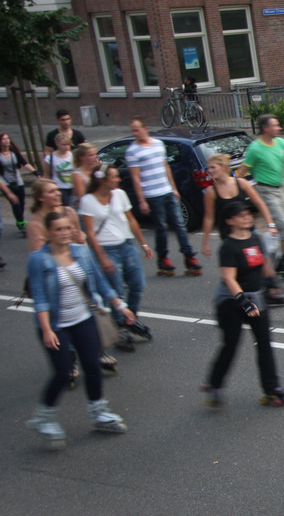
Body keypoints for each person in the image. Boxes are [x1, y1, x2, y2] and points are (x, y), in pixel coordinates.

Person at [26, 211, 135, 448]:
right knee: (63, 371)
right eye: (58, 229)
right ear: (48, 233)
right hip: (56, 325)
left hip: (83, 319)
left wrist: (120, 306)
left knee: (93, 367)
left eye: (68, 228)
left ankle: (99, 412)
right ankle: (43, 417)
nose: (65, 233)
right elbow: (40, 298)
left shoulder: (81, 252)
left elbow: (100, 283)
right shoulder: (38, 259)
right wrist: (46, 330)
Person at [199, 200, 284, 407]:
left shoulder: (255, 238)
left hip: (256, 298)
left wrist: (273, 284)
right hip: (231, 301)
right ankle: (214, 384)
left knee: (264, 343)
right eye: (241, 215)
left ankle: (272, 388)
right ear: (230, 221)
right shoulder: (228, 246)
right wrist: (244, 302)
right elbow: (229, 278)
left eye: (248, 214)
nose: (247, 217)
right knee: (231, 344)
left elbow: (264, 264)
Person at [78, 162, 153, 349]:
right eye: (114, 176)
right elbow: (90, 233)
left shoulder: (120, 194)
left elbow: (131, 219)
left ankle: (130, 317)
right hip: (107, 249)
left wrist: (143, 243)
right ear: (102, 180)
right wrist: (102, 257)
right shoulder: (88, 201)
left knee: (137, 285)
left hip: (126, 246)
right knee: (117, 291)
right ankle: (120, 325)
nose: (118, 179)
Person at [199, 154, 284, 307]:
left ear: (224, 167)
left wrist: (270, 224)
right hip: (230, 237)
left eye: (213, 167)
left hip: (249, 232)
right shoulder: (212, 192)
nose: (209, 171)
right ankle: (236, 294)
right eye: (209, 168)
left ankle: (271, 288)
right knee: (238, 266)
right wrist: (205, 242)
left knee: (262, 259)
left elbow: (259, 203)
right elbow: (209, 218)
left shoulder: (241, 183)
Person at [124, 117, 202, 277]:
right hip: (151, 194)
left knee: (179, 225)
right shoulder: (132, 151)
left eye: (137, 130)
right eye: (133, 131)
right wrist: (141, 200)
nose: (135, 133)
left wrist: (174, 188)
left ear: (145, 128)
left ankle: (189, 256)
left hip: (167, 191)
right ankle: (163, 258)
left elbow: (166, 167)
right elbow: (135, 177)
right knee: (161, 227)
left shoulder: (158, 144)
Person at [240, 114, 284, 282]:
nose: (279, 128)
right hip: (265, 190)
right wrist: (238, 190)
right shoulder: (255, 148)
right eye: (276, 125)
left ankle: (275, 260)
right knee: (283, 225)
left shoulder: (281, 143)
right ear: (266, 128)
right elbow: (241, 172)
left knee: (283, 225)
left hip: (281, 189)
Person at [27, 178, 82, 252]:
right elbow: (38, 253)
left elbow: (80, 240)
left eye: (57, 190)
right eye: (51, 191)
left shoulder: (69, 212)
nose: (58, 193)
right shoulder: (35, 224)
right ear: (40, 197)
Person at [0, 131, 36, 236]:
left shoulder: (14, 152)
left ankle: (19, 220)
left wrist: (35, 172)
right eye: (3, 139)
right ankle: (21, 223)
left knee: (22, 202)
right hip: (4, 182)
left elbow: (25, 163)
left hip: (17, 181)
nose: (6, 141)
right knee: (15, 202)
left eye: (7, 138)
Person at [43, 132, 75, 208]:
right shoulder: (50, 158)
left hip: (73, 187)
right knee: (66, 208)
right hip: (59, 187)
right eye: (64, 144)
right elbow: (46, 174)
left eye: (68, 144)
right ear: (56, 144)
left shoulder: (73, 155)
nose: (66, 147)